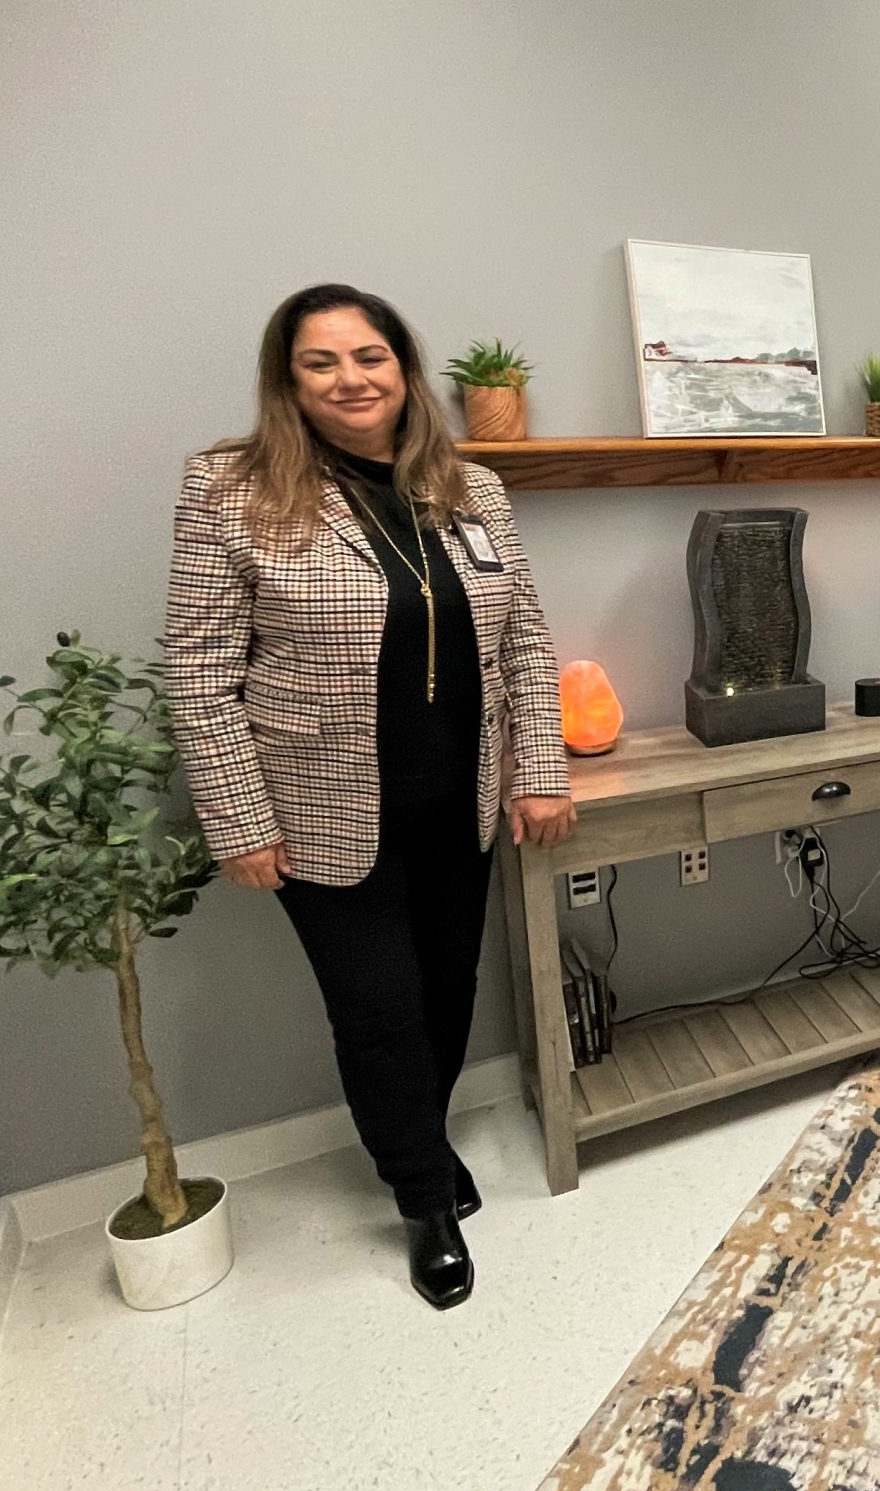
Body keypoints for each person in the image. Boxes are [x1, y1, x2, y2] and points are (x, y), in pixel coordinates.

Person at [164, 283, 575, 1310]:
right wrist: (240, 823)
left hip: (458, 801)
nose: (351, 379)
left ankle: (421, 1145)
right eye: (321, 362)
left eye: (370, 357)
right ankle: (424, 1201)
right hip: (319, 810)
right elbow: (200, 672)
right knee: (380, 1010)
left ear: (403, 370)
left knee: (445, 994)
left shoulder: (470, 489)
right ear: (288, 380)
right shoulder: (230, 490)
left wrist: (541, 771)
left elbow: (523, 639)